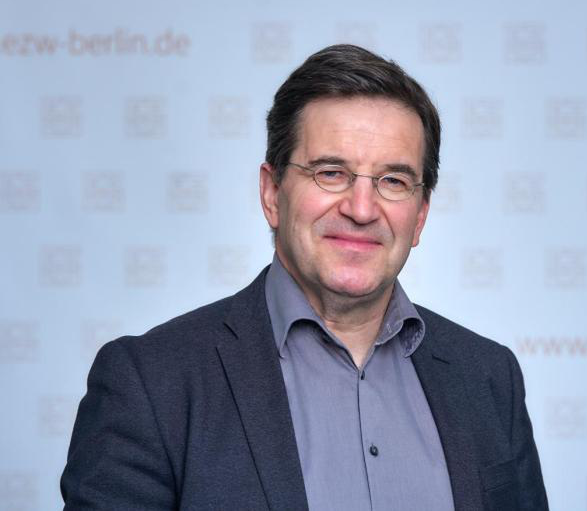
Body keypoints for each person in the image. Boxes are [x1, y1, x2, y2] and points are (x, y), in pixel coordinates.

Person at [61, 44, 548, 511]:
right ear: (272, 193)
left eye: (393, 181)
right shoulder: (151, 383)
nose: (362, 209)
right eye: (331, 173)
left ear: (420, 215)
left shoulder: (488, 378)